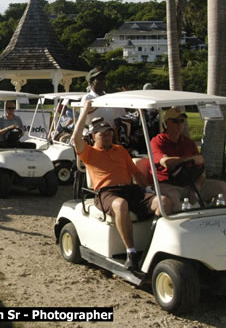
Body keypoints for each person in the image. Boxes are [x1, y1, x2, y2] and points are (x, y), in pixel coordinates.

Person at [73, 99, 170, 270]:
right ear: (94, 136)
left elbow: (136, 174)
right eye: (103, 134)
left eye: (109, 132)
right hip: (106, 193)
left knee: (164, 202)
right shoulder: (89, 152)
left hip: (130, 189)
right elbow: (75, 137)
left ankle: (153, 246)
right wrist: (85, 110)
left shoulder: (120, 150)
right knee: (121, 204)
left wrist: (148, 189)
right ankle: (131, 252)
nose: (108, 136)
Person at [151, 107, 226, 211]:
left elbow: (201, 169)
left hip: (190, 183)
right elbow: (166, 162)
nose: (179, 125)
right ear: (167, 123)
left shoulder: (188, 143)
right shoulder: (158, 142)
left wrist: (197, 184)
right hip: (167, 184)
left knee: (222, 187)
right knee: (173, 197)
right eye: (175, 121)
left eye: (181, 121)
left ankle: (218, 220)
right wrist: (189, 159)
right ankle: (179, 225)